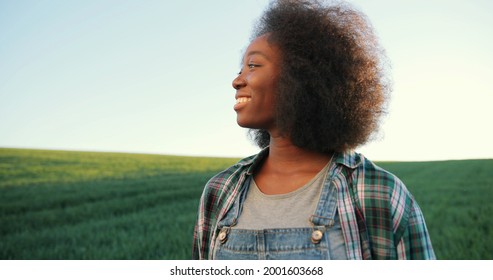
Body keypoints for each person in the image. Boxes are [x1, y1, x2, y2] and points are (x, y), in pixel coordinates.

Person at [192, 0, 435, 260]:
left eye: (253, 66)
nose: (237, 80)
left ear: (301, 76)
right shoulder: (220, 191)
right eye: (241, 69)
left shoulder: (378, 193)